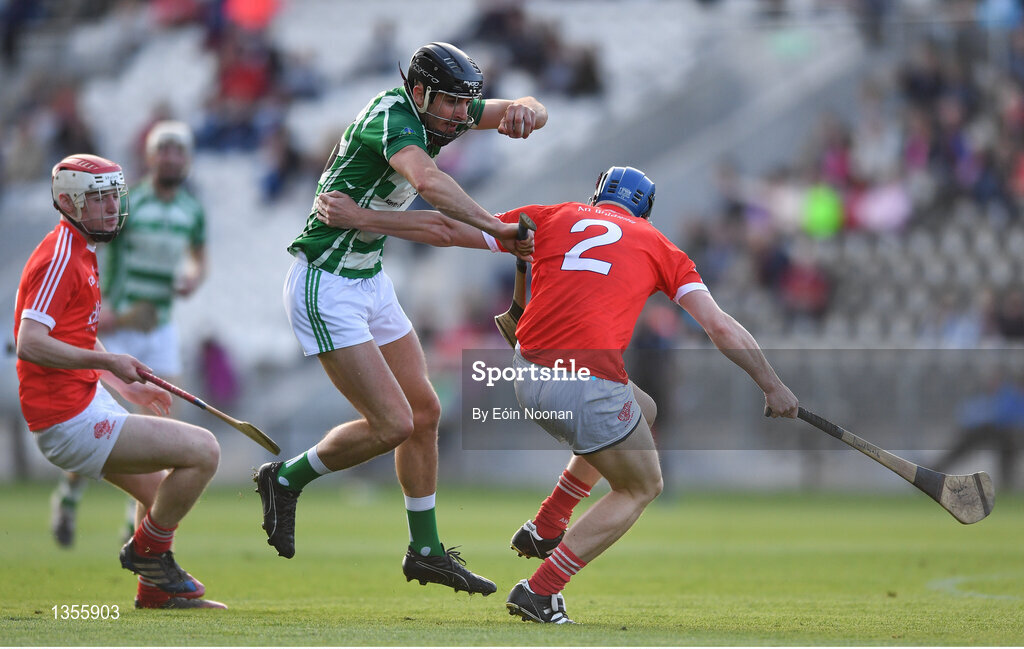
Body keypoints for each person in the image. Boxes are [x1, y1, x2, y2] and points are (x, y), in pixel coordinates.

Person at [315, 165, 800, 623]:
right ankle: (540, 591)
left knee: (643, 408)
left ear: (597, 196)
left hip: (525, 376)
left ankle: (549, 523)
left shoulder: (551, 216)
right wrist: (772, 385)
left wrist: (361, 217)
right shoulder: (660, 246)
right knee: (642, 486)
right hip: (587, 387)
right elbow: (717, 325)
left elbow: (448, 230)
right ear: (644, 210)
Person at [253, 42, 544, 596]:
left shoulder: (438, 114)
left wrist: (531, 107)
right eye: (453, 104)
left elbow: (516, 110)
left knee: (426, 410)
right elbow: (431, 192)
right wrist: (499, 230)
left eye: (466, 105)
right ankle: (284, 478)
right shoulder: (393, 115)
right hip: (326, 282)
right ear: (419, 92)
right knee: (394, 424)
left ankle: (426, 550)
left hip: (369, 279)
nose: (462, 116)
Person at [16, 154, 224, 610]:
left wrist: (127, 385)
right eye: (98, 198)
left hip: (84, 404)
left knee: (159, 497)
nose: (112, 207)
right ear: (69, 202)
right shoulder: (60, 258)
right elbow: (29, 342)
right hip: (66, 418)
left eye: (114, 196)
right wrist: (107, 362)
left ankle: (154, 592)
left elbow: (80, 337)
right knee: (205, 451)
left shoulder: (80, 251)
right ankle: (144, 554)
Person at [50, 121, 207, 548]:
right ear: (151, 157)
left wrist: (192, 279)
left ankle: (133, 525)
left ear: (187, 159)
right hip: (117, 326)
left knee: (157, 423)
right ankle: (70, 494)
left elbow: (199, 257)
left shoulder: (192, 210)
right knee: (100, 423)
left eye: (179, 151)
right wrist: (109, 315)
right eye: (165, 151)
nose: (172, 158)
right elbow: (97, 256)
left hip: (158, 328)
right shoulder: (126, 202)